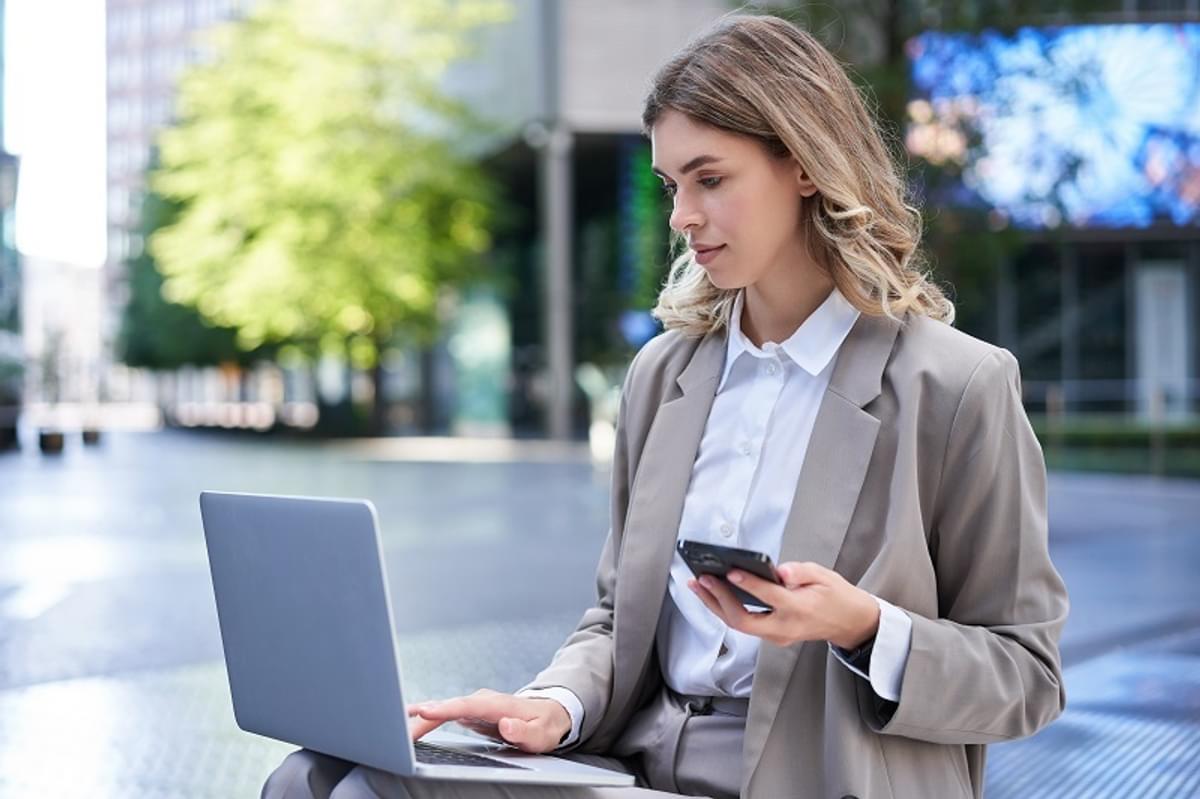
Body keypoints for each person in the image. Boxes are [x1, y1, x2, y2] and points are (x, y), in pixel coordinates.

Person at [263, 12, 1068, 799]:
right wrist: (554, 705)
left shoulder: (956, 386)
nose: (683, 217)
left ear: (804, 165)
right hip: (635, 764)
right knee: (315, 775)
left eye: (710, 179)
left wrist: (861, 625)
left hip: (816, 770)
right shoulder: (665, 374)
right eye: (671, 184)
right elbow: (621, 615)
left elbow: (1026, 676)